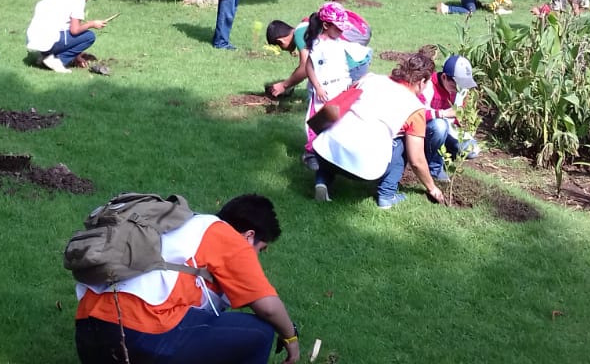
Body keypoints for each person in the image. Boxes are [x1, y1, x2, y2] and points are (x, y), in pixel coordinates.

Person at [74, 193, 300, 364]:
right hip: (138, 334)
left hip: (87, 334)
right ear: (249, 236)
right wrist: (291, 338)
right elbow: (269, 307)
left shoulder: (177, 226)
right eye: (261, 250)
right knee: (260, 332)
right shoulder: (226, 235)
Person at [310, 53, 446, 208]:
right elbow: (417, 160)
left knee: (340, 134)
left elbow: (342, 101)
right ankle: (387, 195)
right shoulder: (415, 109)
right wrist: (432, 187)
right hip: (361, 168)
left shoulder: (370, 79)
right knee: (403, 142)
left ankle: (322, 182)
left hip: (323, 151)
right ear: (422, 82)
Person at [26, 0, 107, 73]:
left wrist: (76, 56)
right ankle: (57, 61)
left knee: (64, 34)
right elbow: (74, 30)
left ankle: (46, 56)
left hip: (33, 38)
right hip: (49, 39)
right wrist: (92, 24)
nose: (86, 0)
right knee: (89, 36)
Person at [420, 54, 480, 181]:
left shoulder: (461, 90)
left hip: (448, 129)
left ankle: (437, 150)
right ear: (444, 77)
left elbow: (456, 118)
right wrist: (443, 113)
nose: (458, 89)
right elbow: (416, 113)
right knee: (439, 126)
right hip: (425, 129)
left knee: (472, 150)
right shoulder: (428, 84)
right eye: (455, 85)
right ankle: (434, 167)